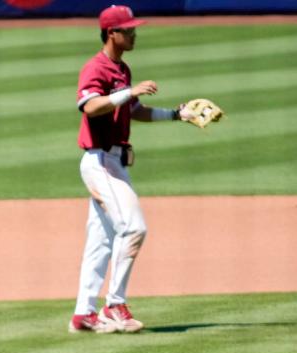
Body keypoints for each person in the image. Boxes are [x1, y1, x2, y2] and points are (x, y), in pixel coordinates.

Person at [69, 4, 200, 334]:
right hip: (99, 162)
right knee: (134, 227)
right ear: (111, 33)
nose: (134, 33)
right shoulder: (96, 68)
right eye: (128, 30)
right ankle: (115, 304)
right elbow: (90, 107)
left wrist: (175, 115)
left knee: (101, 240)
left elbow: (135, 110)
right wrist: (128, 92)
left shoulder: (122, 69)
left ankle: (83, 315)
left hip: (113, 161)